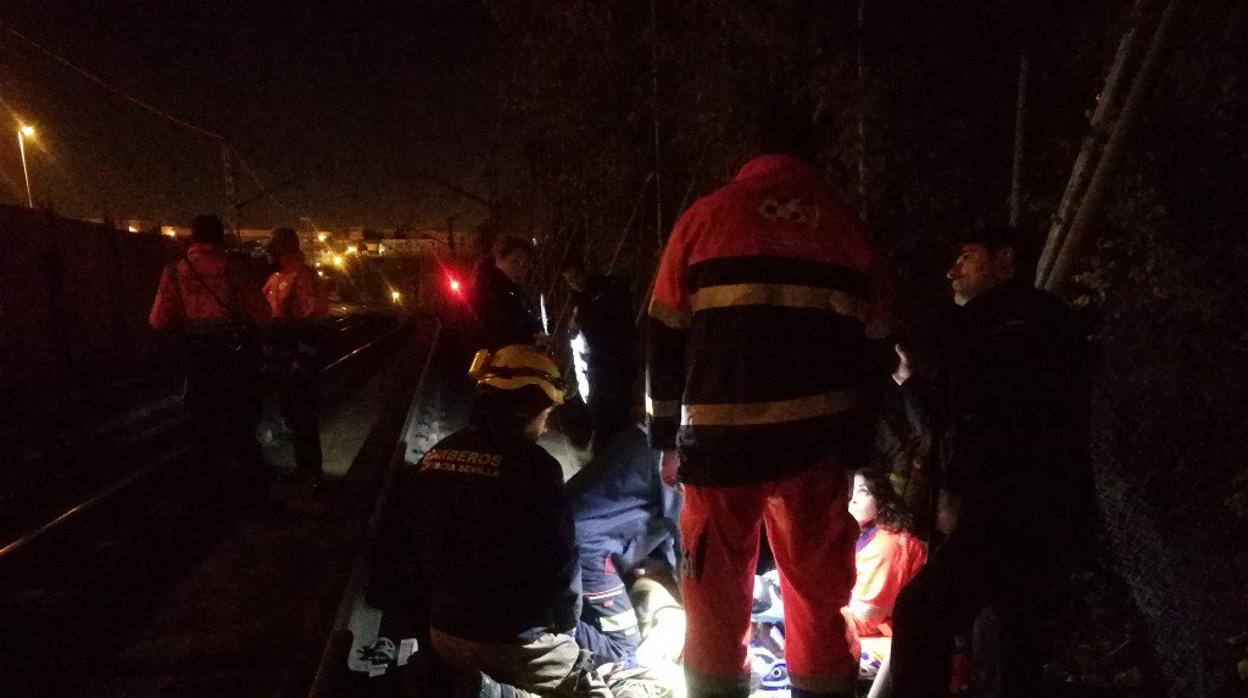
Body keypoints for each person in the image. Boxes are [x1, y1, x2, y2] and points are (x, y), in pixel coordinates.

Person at [644, 113, 891, 698]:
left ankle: (716, 690)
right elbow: (876, 349)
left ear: (751, 157)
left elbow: (663, 331)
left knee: (715, 589)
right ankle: (824, 688)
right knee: (817, 587)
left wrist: (663, 439)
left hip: (720, 447)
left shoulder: (704, 218)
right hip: (816, 447)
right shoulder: (849, 231)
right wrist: (855, 447)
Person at [888, 225, 1090, 698]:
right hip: (1047, 512)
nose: (952, 270)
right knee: (1009, 644)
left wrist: (960, 492)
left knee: (921, 613)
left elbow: (970, 421)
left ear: (1006, 260)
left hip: (1001, 513)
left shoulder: (990, 326)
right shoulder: (1050, 319)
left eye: (968, 256)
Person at [403, 344, 611, 698]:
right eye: (545, 411)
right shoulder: (537, 467)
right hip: (515, 640)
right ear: (525, 406)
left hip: (443, 630)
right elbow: (561, 564)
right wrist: (565, 627)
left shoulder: (434, 456)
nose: (545, 425)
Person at [149, 213, 271, 497]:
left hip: (198, 363)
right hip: (234, 361)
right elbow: (263, 314)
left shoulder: (174, 271)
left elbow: (157, 320)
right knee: (242, 429)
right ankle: (251, 494)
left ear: (192, 238)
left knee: (203, 430)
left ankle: (208, 492)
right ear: (220, 238)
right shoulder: (233, 268)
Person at [565, 423, 681, 674]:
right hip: (591, 551)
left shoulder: (639, 437)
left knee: (591, 622)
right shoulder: (675, 451)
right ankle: (551, 630)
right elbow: (686, 536)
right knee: (624, 652)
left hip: (572, 539)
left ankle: (554, 621)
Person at [844, 469, 927, 680]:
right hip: (879, 635)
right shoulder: (860, 535)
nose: (852, 499)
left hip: (896, 645)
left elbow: (867, 619)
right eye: (850, 490)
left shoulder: (888, 545)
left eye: (862, 491)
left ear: (880, 499)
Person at [262, 227, 329, 482]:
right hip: (284, 362)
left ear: (283, 249)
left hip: (296, 363)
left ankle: (311, 472)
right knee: (293, 416)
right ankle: (306, 469)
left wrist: (302, 362)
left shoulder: (302, 278)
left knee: (302, 417)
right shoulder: (278, 277)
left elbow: (312, 324)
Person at [561, 259, 637, 448]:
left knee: (618, 413)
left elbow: (619, 325)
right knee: (599, 413)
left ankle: (619, 454)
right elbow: (575, 330)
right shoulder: (580, 301)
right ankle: (604, 455)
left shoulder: (608, 290)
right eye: (570, 281)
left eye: (576, 276)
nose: (575, 283)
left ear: (584, 270)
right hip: (597, 364)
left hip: (619, 362)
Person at [472, 236, 545, 351]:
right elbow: (495, 328)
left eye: (525, 265)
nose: (520, 268)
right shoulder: (487, 290)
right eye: (515, 261)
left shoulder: (515, 291)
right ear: (499, 259)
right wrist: (531, 339)